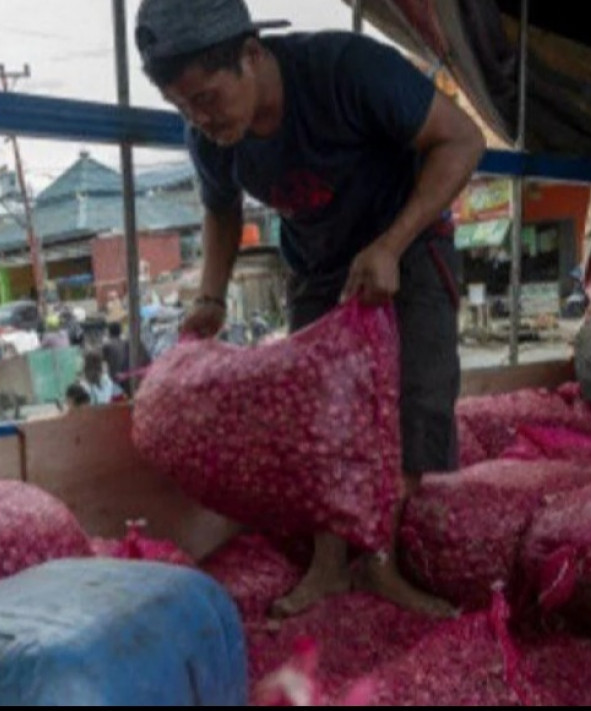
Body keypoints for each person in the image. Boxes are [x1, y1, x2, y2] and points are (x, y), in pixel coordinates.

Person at [136, 0, 486, 617]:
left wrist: (390, 244)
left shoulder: (346, 70)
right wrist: (210, 297)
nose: (199, 118)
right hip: (321, 268)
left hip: (405, 247)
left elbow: (462, 139)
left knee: (406, 409)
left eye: (208, 99)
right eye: (182, 107)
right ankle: (329, 568)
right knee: (318, 418)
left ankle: (381, 564)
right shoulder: (210, 133)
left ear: (251, 55)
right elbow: (220, 211)